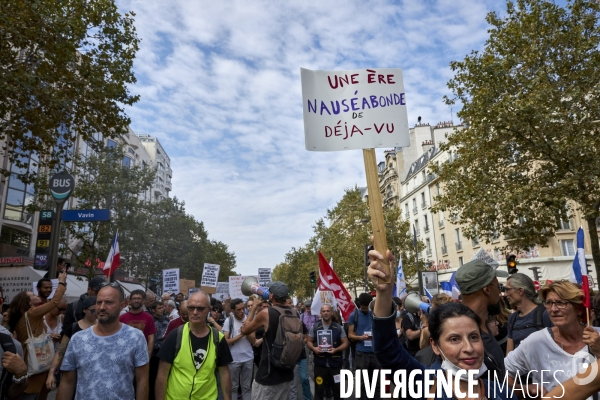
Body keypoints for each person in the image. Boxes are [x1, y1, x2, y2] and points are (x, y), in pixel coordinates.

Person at [367, 248, 514, 400]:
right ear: (436, 346)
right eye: (454, 339)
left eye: (474, 337)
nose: (469, 348)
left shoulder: (502, 393)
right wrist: (384, 293)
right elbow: (387, 349)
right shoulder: (428, 386)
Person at [504, 280, 600, 398]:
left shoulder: (597, 336)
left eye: (561, 303)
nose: (553, 309)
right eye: (549, 303)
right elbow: (502, 373)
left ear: (579, 309)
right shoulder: (536, 342)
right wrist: (524, 390)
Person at [57, 282, 149, 400]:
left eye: (109, 302)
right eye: (99, 302)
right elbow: (67, 382)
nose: (102, 307)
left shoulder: (135, 337)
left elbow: (142, 380)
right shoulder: (78, 339)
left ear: (122, 305)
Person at [156, 291, 233, 400]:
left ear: (208, 309)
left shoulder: (218, 338)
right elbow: (162, 375)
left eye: (200, 308)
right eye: (191, 308)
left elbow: (224, 374)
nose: (195, 312)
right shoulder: (175, 335)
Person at [8, 271, 67, 399]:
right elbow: (54, 302)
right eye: (33, 295)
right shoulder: (32, 313)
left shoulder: (25, 315)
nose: (36, 295)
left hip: (30, 357)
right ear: (28, 302)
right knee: (30, 393)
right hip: (34, 360)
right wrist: (61, 283)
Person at [240, 282, 298, 400]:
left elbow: (245, 330)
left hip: (268, 376)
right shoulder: (294, 312)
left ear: (271, 296)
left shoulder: (267, 313)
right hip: (287, 373)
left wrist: (254, 308)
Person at [455, 259, 508, 376]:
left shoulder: (483, 324)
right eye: (498, 285)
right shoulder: (463, 334)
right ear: (487, 289)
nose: (500, 291)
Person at [46, 296, 97, 391]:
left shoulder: (103, 327)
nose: (96, 314)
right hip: (74, 375)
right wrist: (51, 373)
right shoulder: (73, 328)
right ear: (84, 310)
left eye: (98, 311)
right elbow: (61, 351)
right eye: (93, 311)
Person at [307, 304, 349, 400]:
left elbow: (345, 343)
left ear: (332, 312)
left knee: (338, 391)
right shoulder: (315, 327)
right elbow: (309, 341)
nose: (326, 313)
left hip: (335, 365)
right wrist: (314, 349)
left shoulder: (338, 328)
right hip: (320, 365)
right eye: (324, 311)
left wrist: (336, 349)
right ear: (321, 313)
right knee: (319, 391)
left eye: (328, 311)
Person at [504, 273, 552, 354]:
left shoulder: (545, 314)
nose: (505, 294)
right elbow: (509, 355)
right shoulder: (512, 318)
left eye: (508, 290)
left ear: (520, 291)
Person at [348, 292, 381, 399]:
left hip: (374, 352)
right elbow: (350, 334)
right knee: (362, 382)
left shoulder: (375, 314)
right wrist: (361, 337)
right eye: (363, 308)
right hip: (361, 353)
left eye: (367, 308)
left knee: (376, 381)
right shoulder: (354, 315)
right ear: (360, 305)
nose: (365, 310)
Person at [223, 299, 255, 400]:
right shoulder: (229, 321)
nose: (242, 311)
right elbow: (226, 342)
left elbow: (253, 340)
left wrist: (246, 331)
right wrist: (241, 335)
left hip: (248, 358)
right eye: (239, 309)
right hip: (234, 360)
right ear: (232, 310)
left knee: (247, 387)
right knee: (233, 387)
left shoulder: (248, 319)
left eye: (243, 308)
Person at [120, 289, 156, 358]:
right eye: (134, 298)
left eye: (139, 298)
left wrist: (148, 354)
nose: (136, 300)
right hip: (126, 354)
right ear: (130, 301)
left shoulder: (149, 317)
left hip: (142, 353)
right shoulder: (122, 318)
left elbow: (151, 338)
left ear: (143, 301)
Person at [150, 301, 170, 400]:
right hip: (154, 351)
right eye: (159, 308)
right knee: (153, 376)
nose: (162, 309)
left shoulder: (167, 320)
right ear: (153, 310)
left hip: (164, 350)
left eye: (163, 307)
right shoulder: (151, 320)